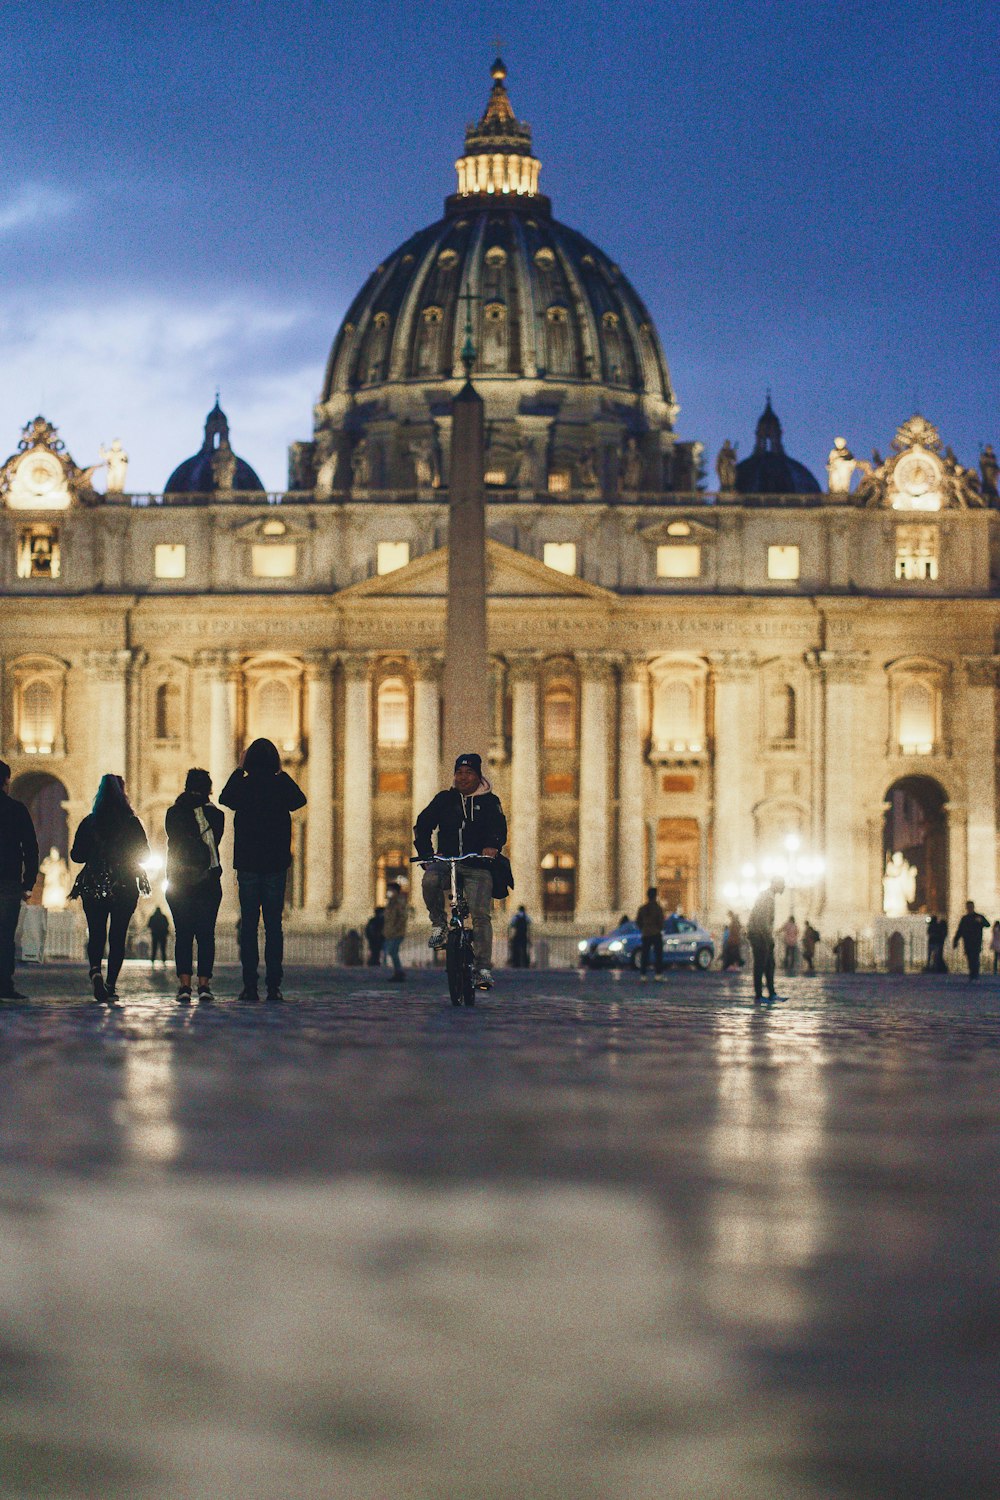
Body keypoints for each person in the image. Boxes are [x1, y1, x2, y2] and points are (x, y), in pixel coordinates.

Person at [219, 738, 306, 1003]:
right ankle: (273, 986)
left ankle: (249, 986)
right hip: (275, 864)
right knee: (273, 927)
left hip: (248, 864)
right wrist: (280, 772)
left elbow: (225, 797)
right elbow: (299, 800)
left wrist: (239, 768)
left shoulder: (244, 785)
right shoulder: (280, 784)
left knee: (248, 927)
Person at [414, 751, 507, 991]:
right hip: (448, 859)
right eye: (459, 773)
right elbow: (423, 824)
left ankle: (483, 968)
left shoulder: (489, 801)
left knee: (480, 915)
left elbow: (499, 827)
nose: (463, 777)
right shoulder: (444, 799)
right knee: (430, 880)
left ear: (478, 776)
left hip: (477, 863)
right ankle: (439, 924)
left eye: (468, 773)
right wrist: (426, 853)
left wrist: (492, 847)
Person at [70, 775, 150, 1002]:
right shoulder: (132, 822)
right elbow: (145, 854)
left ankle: (95, 971)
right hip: (124, 886)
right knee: (118, 936)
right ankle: (111, 984)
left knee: (96, 934)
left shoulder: (89, 822)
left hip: (94, 884)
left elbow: (76, 856)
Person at [165, 768, 225, 1004]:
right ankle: (204, 985)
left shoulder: (173, 813)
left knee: (183, 935)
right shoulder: (216, 816)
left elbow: (174, 839)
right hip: (208, 879)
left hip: (179, 881)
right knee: (206, 935)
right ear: (209, 789)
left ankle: (184, 986)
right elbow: (214, 841)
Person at [0, 762, 40, 1000]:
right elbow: (30, 848)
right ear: (6, 782)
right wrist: (28, 882)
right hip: (9, 882)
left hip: (9, 883)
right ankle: (4, 984)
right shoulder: (16, 810)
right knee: (5, 936)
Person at [747, 878, 785, 1002]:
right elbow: (763, 922)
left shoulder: (767, 896)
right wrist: (769, 939)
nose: (784, 887)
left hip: (760, 934)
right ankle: (759, 995)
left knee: (769, 964)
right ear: (775, 884)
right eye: (782, 884)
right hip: (759, 935)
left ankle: (772, 993)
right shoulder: (767, 898)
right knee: (760, 964)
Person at [952, 901, 989, 981]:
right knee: (970, 958)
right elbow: (960, 930)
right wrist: (956, 940)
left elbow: (987, 924)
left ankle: (975, 974)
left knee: (975, 958)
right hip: (968, 941)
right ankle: (972, 974)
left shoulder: (978, 916)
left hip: (976, 941)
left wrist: (981, 921)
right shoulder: (965, 918)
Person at [635, 886, 665, 980]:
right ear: (655, 896)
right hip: (656, 934)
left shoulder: (642, 908)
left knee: (645, 955)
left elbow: (638, 921)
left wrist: (643, 928)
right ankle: (658, 975)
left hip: (645, 934)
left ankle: (643, 975)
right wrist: (658, 928)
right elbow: (661, 921)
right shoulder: (658, 908)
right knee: (658, 955)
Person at [383, 882, 408, 980]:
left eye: (390, 890)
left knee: (392, 951)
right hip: (389, 932)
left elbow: (402, 918)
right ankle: (398, 971)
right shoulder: (390, 903)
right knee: (392, 952)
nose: (388, 892)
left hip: (397, 933)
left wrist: (396, 929)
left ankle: (399, 972)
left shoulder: (399, 903)